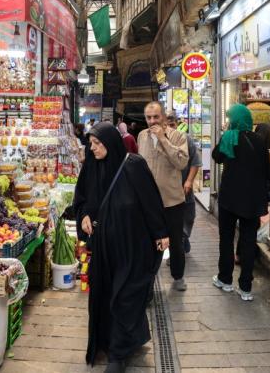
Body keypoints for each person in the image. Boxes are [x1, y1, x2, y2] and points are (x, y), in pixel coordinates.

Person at [73, 123, 169, 372]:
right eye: (90, 143)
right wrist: (84, 216)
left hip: (132, 246)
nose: (92, 148)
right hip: (103, 249)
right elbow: (82, 199)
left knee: (125, 296)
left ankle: (118, 354)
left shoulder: (133, 166)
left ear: (111, 142)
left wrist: (160, 233)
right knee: (105, 295)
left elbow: (151, 201)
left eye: (97, 143)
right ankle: (117, 341)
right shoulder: (91, 167)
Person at [211, 104, 270, 301]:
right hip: (252, 200)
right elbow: (267, 169)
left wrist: (225, 134)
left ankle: (225, 279)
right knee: (248, 241)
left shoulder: (230, 137)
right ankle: (245, 287)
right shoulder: (259, 140)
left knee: (226, 239)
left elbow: (216, 157)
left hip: (229, 199)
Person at [137, 101, 190, 291]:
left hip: (172, 200)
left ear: (164, 118)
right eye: (148, 117)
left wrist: (163, 139)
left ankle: (178, 276)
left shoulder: (178, 136)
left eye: (156, 117)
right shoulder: (142, 136)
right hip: (148, 202)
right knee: (147, 241)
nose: (152, 121)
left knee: (175, 241)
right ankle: (148, 279)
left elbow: (181, 163)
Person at [166, 112, 201, 254]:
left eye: (172, 125)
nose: (170, 128)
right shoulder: (160, 141)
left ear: (177, 124)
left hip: (184, 189)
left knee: (188, 216)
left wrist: (189, 181)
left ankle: (183, 238)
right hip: (167, 191)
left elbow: (195, 162)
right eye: (167, 125)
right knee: (170, 221)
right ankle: (176, 249)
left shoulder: (186, 139)